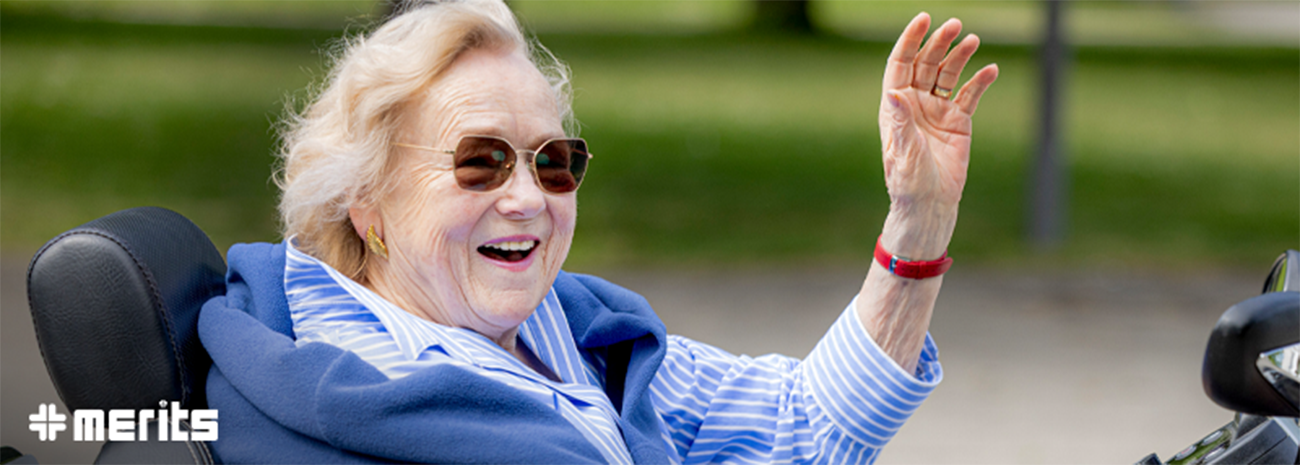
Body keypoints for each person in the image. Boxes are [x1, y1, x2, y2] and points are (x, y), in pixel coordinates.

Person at [196, 0, 999, 463]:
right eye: (480, 162)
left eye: (555, 162)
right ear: (366, 202)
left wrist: (918, 217)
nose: (527, 199)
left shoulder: (563, 328)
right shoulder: (377, 397)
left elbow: (798, 422)